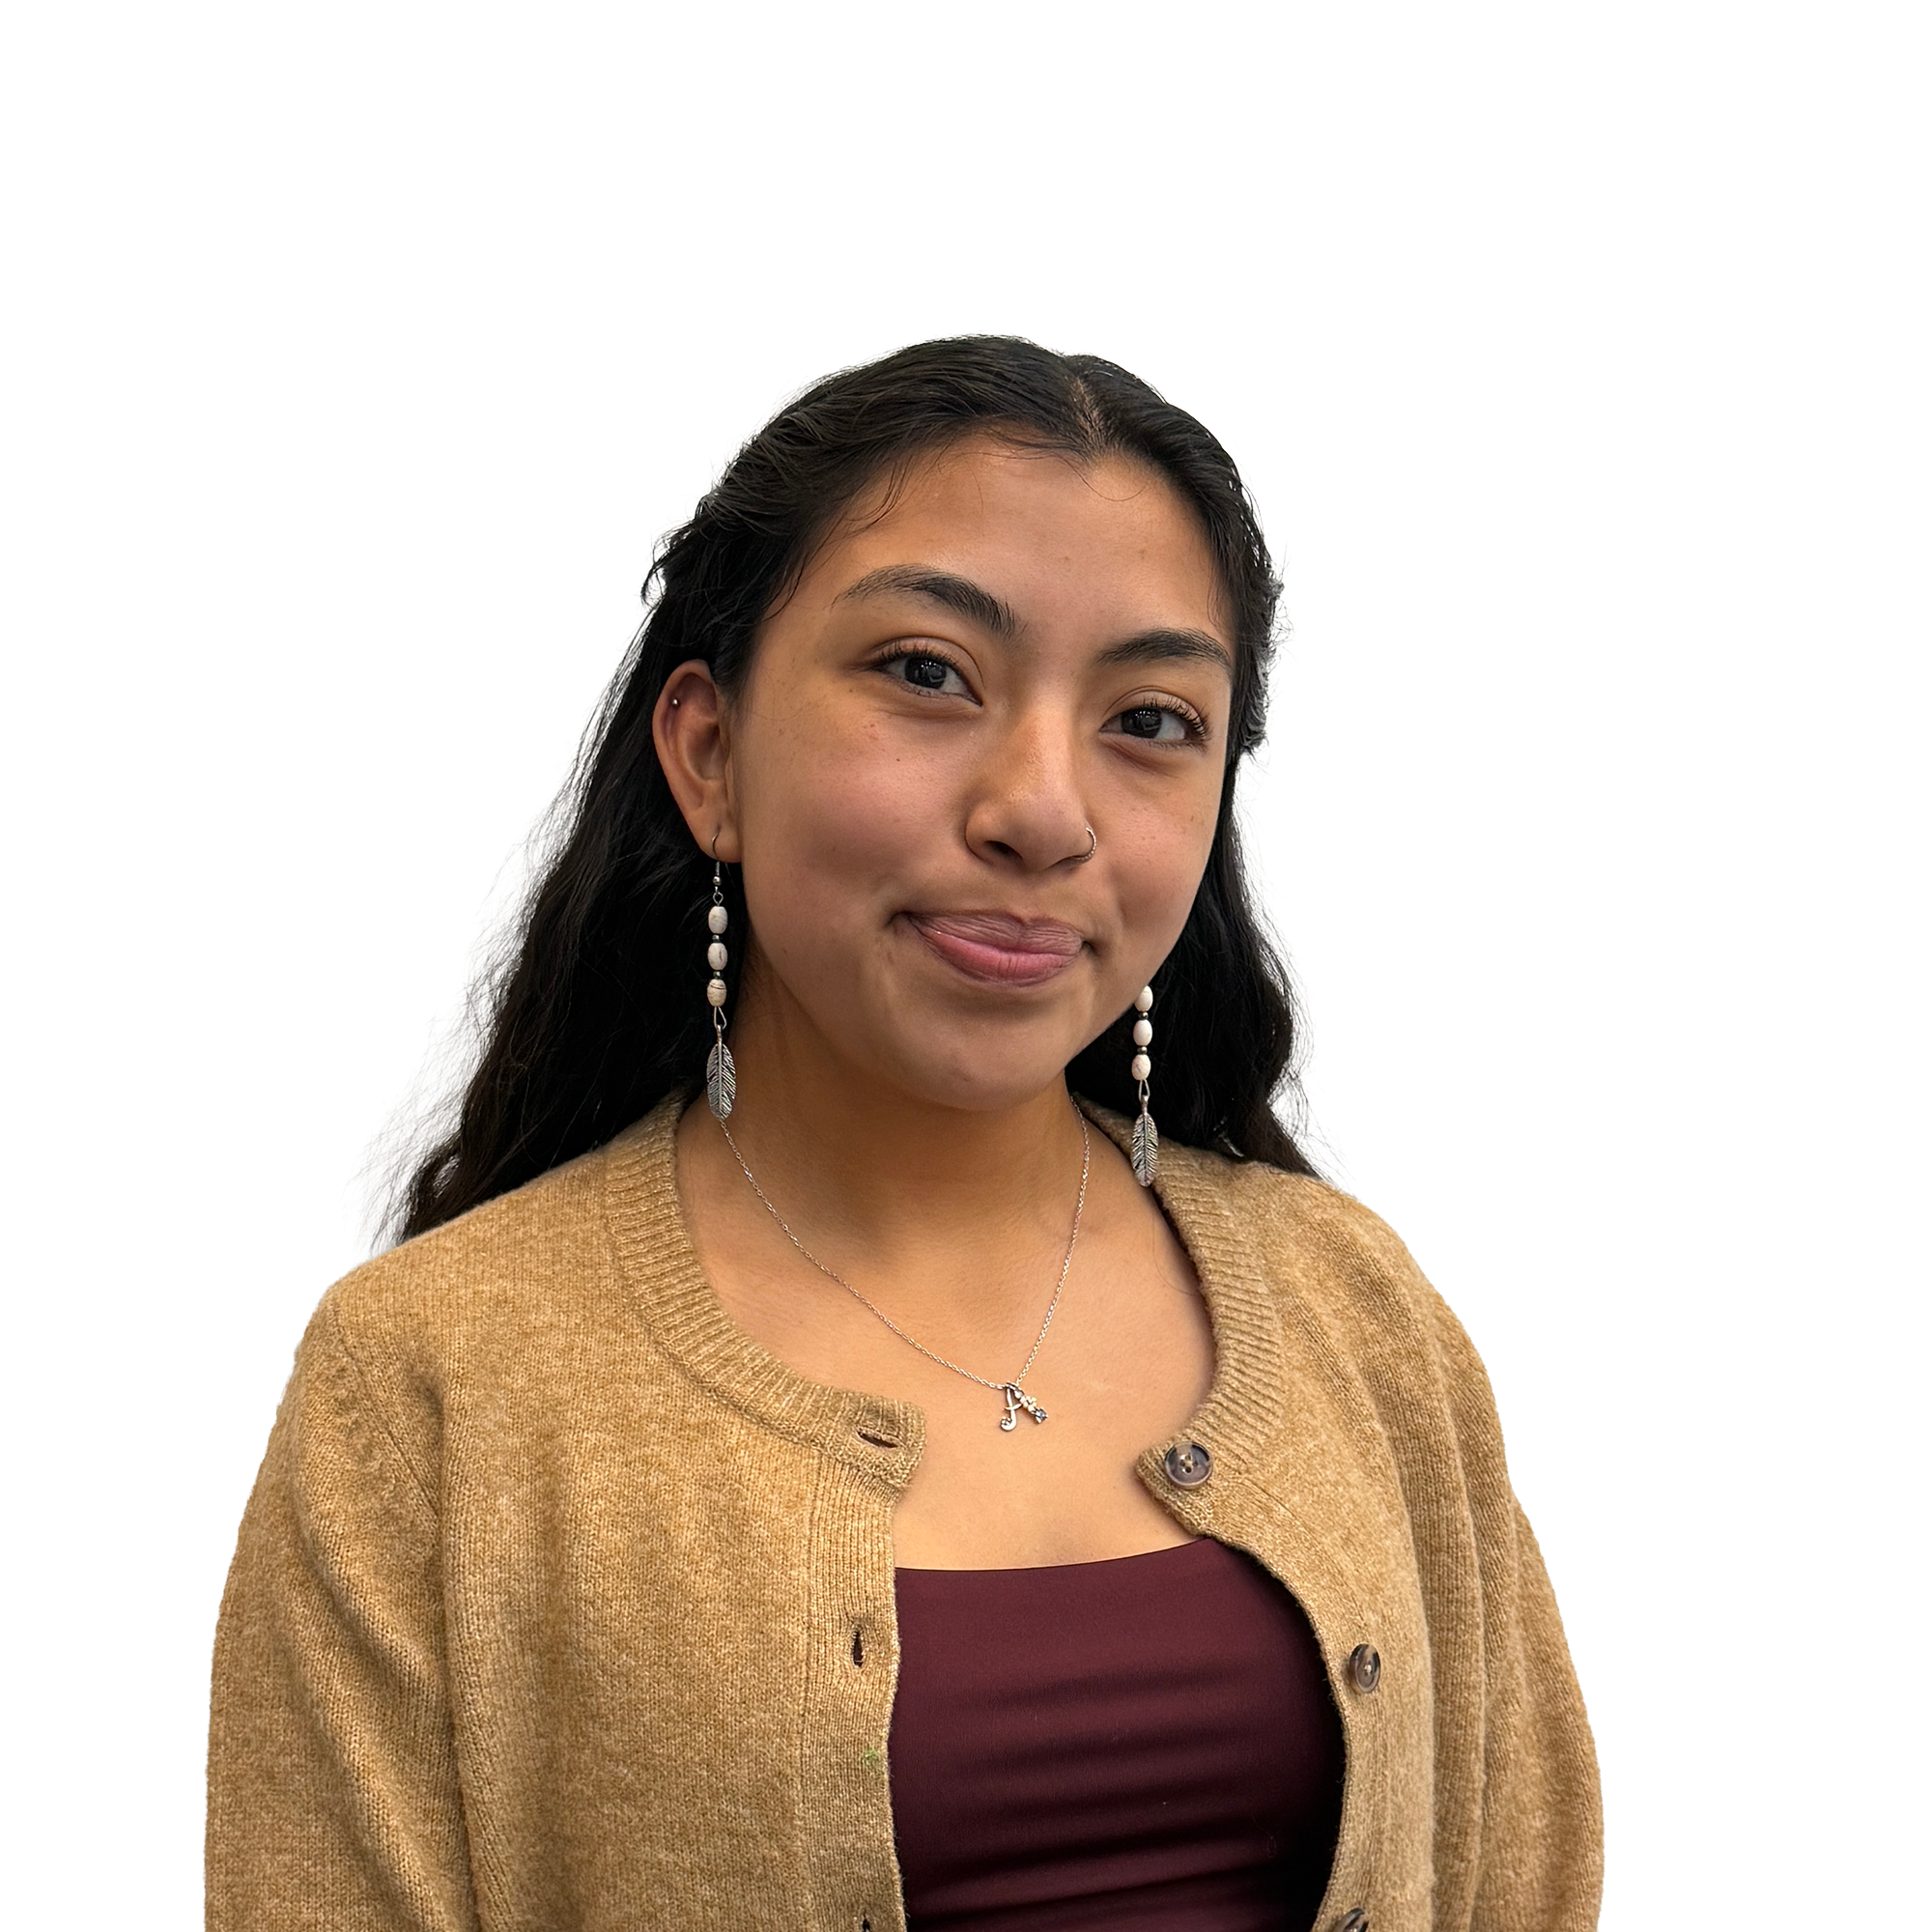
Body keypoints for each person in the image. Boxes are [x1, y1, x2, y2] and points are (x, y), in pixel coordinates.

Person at [205, 334, 1603, 1932]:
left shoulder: (1363, 1317)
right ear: (709, 754)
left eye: (1151, 719)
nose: (1044, 808)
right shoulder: (431, 1384)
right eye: (929, 674)